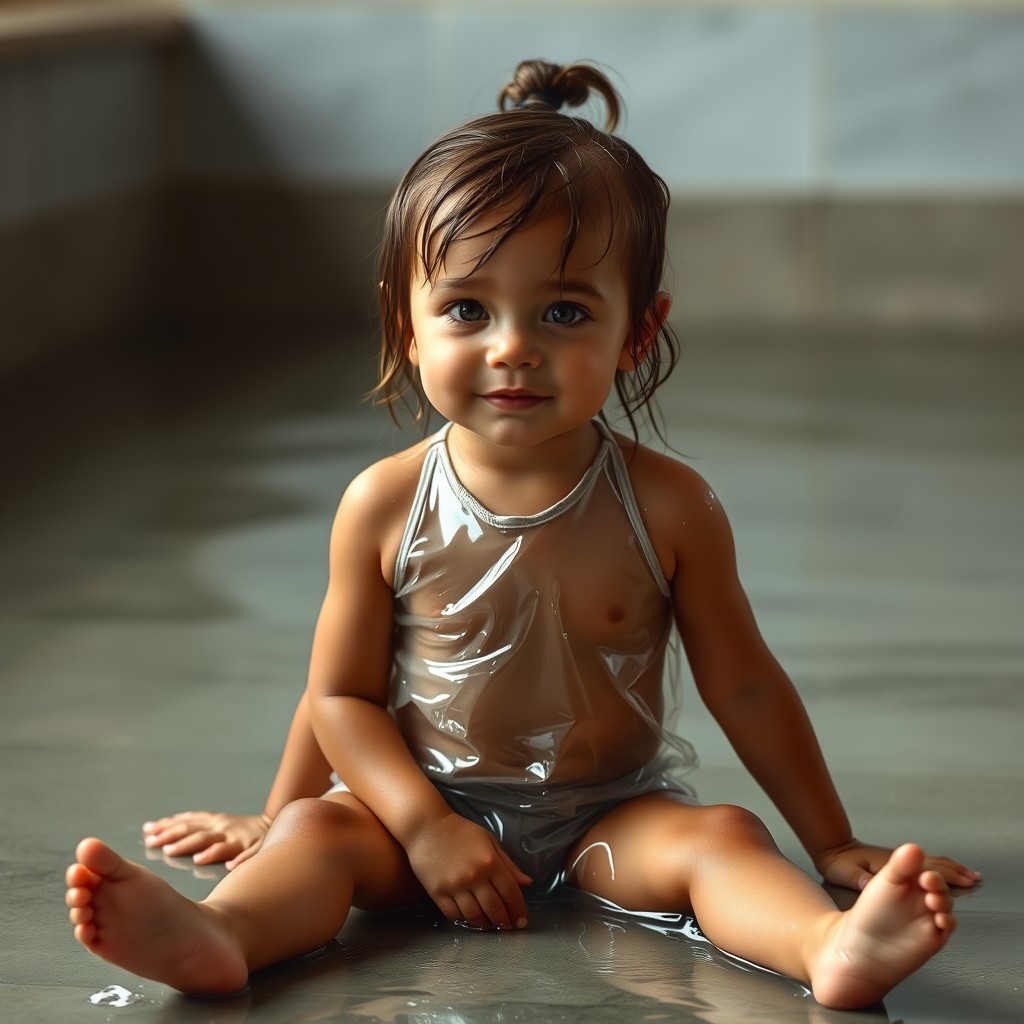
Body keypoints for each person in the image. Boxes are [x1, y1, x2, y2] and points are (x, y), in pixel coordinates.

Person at [64, 59, 979, 1011]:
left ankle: (825, 944)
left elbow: (744, 680)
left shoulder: (669, 504)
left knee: (723, 840)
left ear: (637, 333)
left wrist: (831, 841)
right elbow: (339, 694)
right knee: (317, 840)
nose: (511, 346)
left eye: (564, 311)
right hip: (416, 810)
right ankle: (223, 935)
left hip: (607, 819)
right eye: (467, 308)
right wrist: (404, 823)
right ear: (406, 326)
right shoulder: (383, 503)